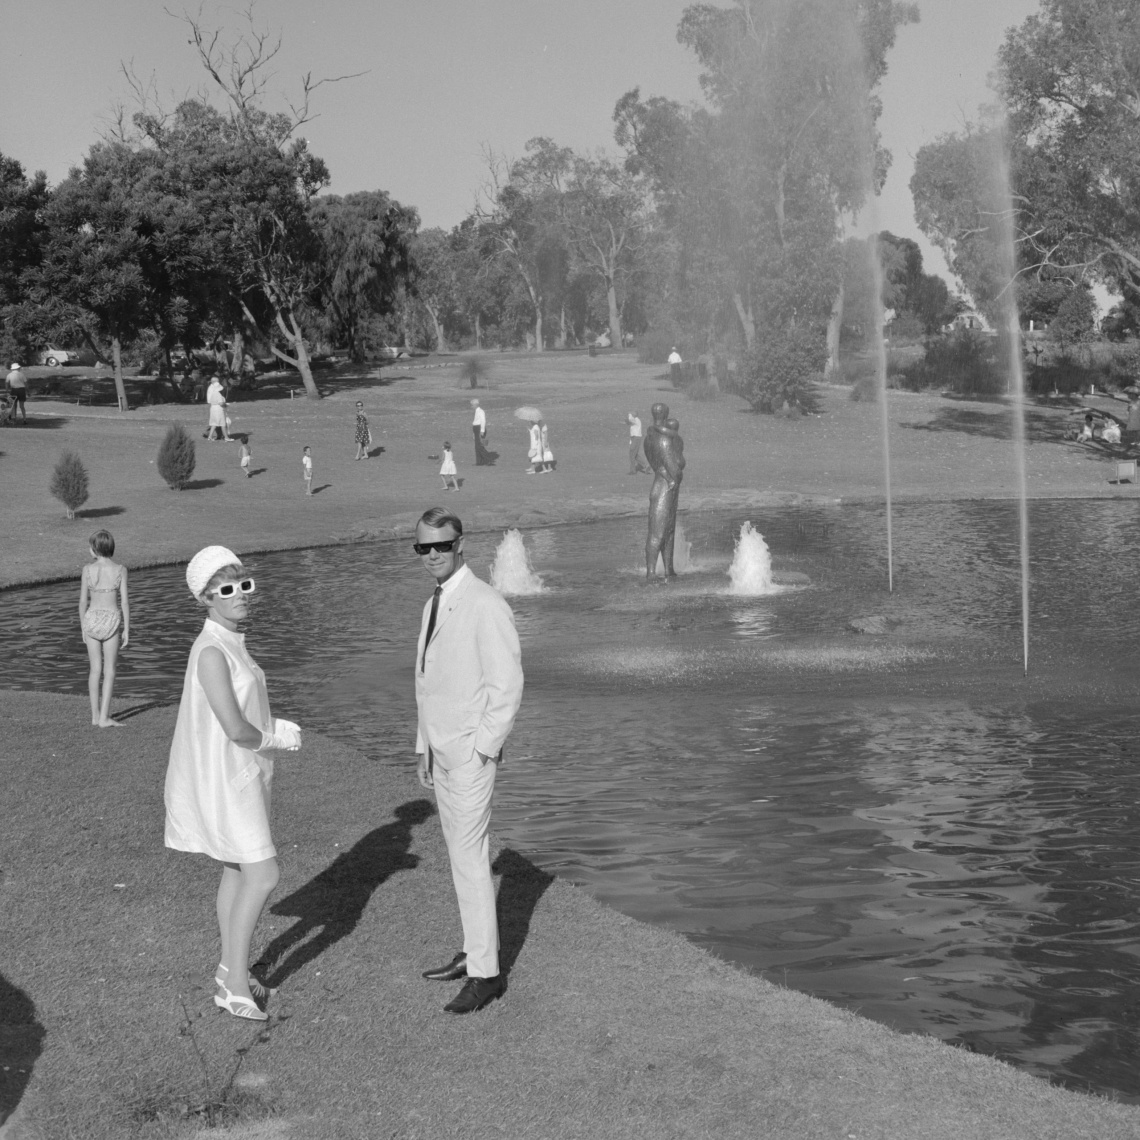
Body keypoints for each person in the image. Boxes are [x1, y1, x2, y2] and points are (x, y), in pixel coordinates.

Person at [164, 546, 302, 1021]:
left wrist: (271, 726)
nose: (240, 594)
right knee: (264, 874)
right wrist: (277, 739)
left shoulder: (229, 641)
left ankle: (228, 970)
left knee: (237, 870)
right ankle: (236, 987)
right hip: (230, 780)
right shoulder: (211, 651)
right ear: (205, 598)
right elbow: (236, 729)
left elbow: (244, 713)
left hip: (241, 773)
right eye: (227, 589)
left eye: (244, 584)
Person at [413, 507, 524, 1013]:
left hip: (470, 756)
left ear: (461, 545)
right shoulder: (434, 602)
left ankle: (486, 975)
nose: (432, 554)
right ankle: (473, 951)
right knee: (461, 857)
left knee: (472, 858)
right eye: (423, 547)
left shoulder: (485, 602)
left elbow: (507, 688)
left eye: (441, 545)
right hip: (442, 752)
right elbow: (427, 681)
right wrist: (424, 745)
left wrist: (482, 749)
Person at [78, 529, 129, 727]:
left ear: (96, 548)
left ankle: (95, 716)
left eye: (90, 546)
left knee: (95, 670)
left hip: (91, 619)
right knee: (110, 671)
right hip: (111, 620)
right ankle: (104, 718)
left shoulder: (87, 570)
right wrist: (127, 628)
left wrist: (83, 626)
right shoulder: (120, 570)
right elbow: (124, 602)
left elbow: (83, 602)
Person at [205, 376, 231, 441]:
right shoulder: (218, 394)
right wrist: (226, 405)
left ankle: (210, 436)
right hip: (218, 409)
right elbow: (221, 403)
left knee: (214, 423)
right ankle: (226, 437)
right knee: (222, 423)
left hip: (213, 408)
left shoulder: (213, 392)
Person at [471, 398, 494, 466]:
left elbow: (483, 421)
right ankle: (479, 462)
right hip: (476, 429)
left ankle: (488, 459)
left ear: (476, 405)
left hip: (479, 428)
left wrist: (482, 431)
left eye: (472, 405)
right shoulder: (476, 411)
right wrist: (474, 433)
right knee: (477, 446)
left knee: (479, 446)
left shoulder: (481, 411)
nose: (471, 406)